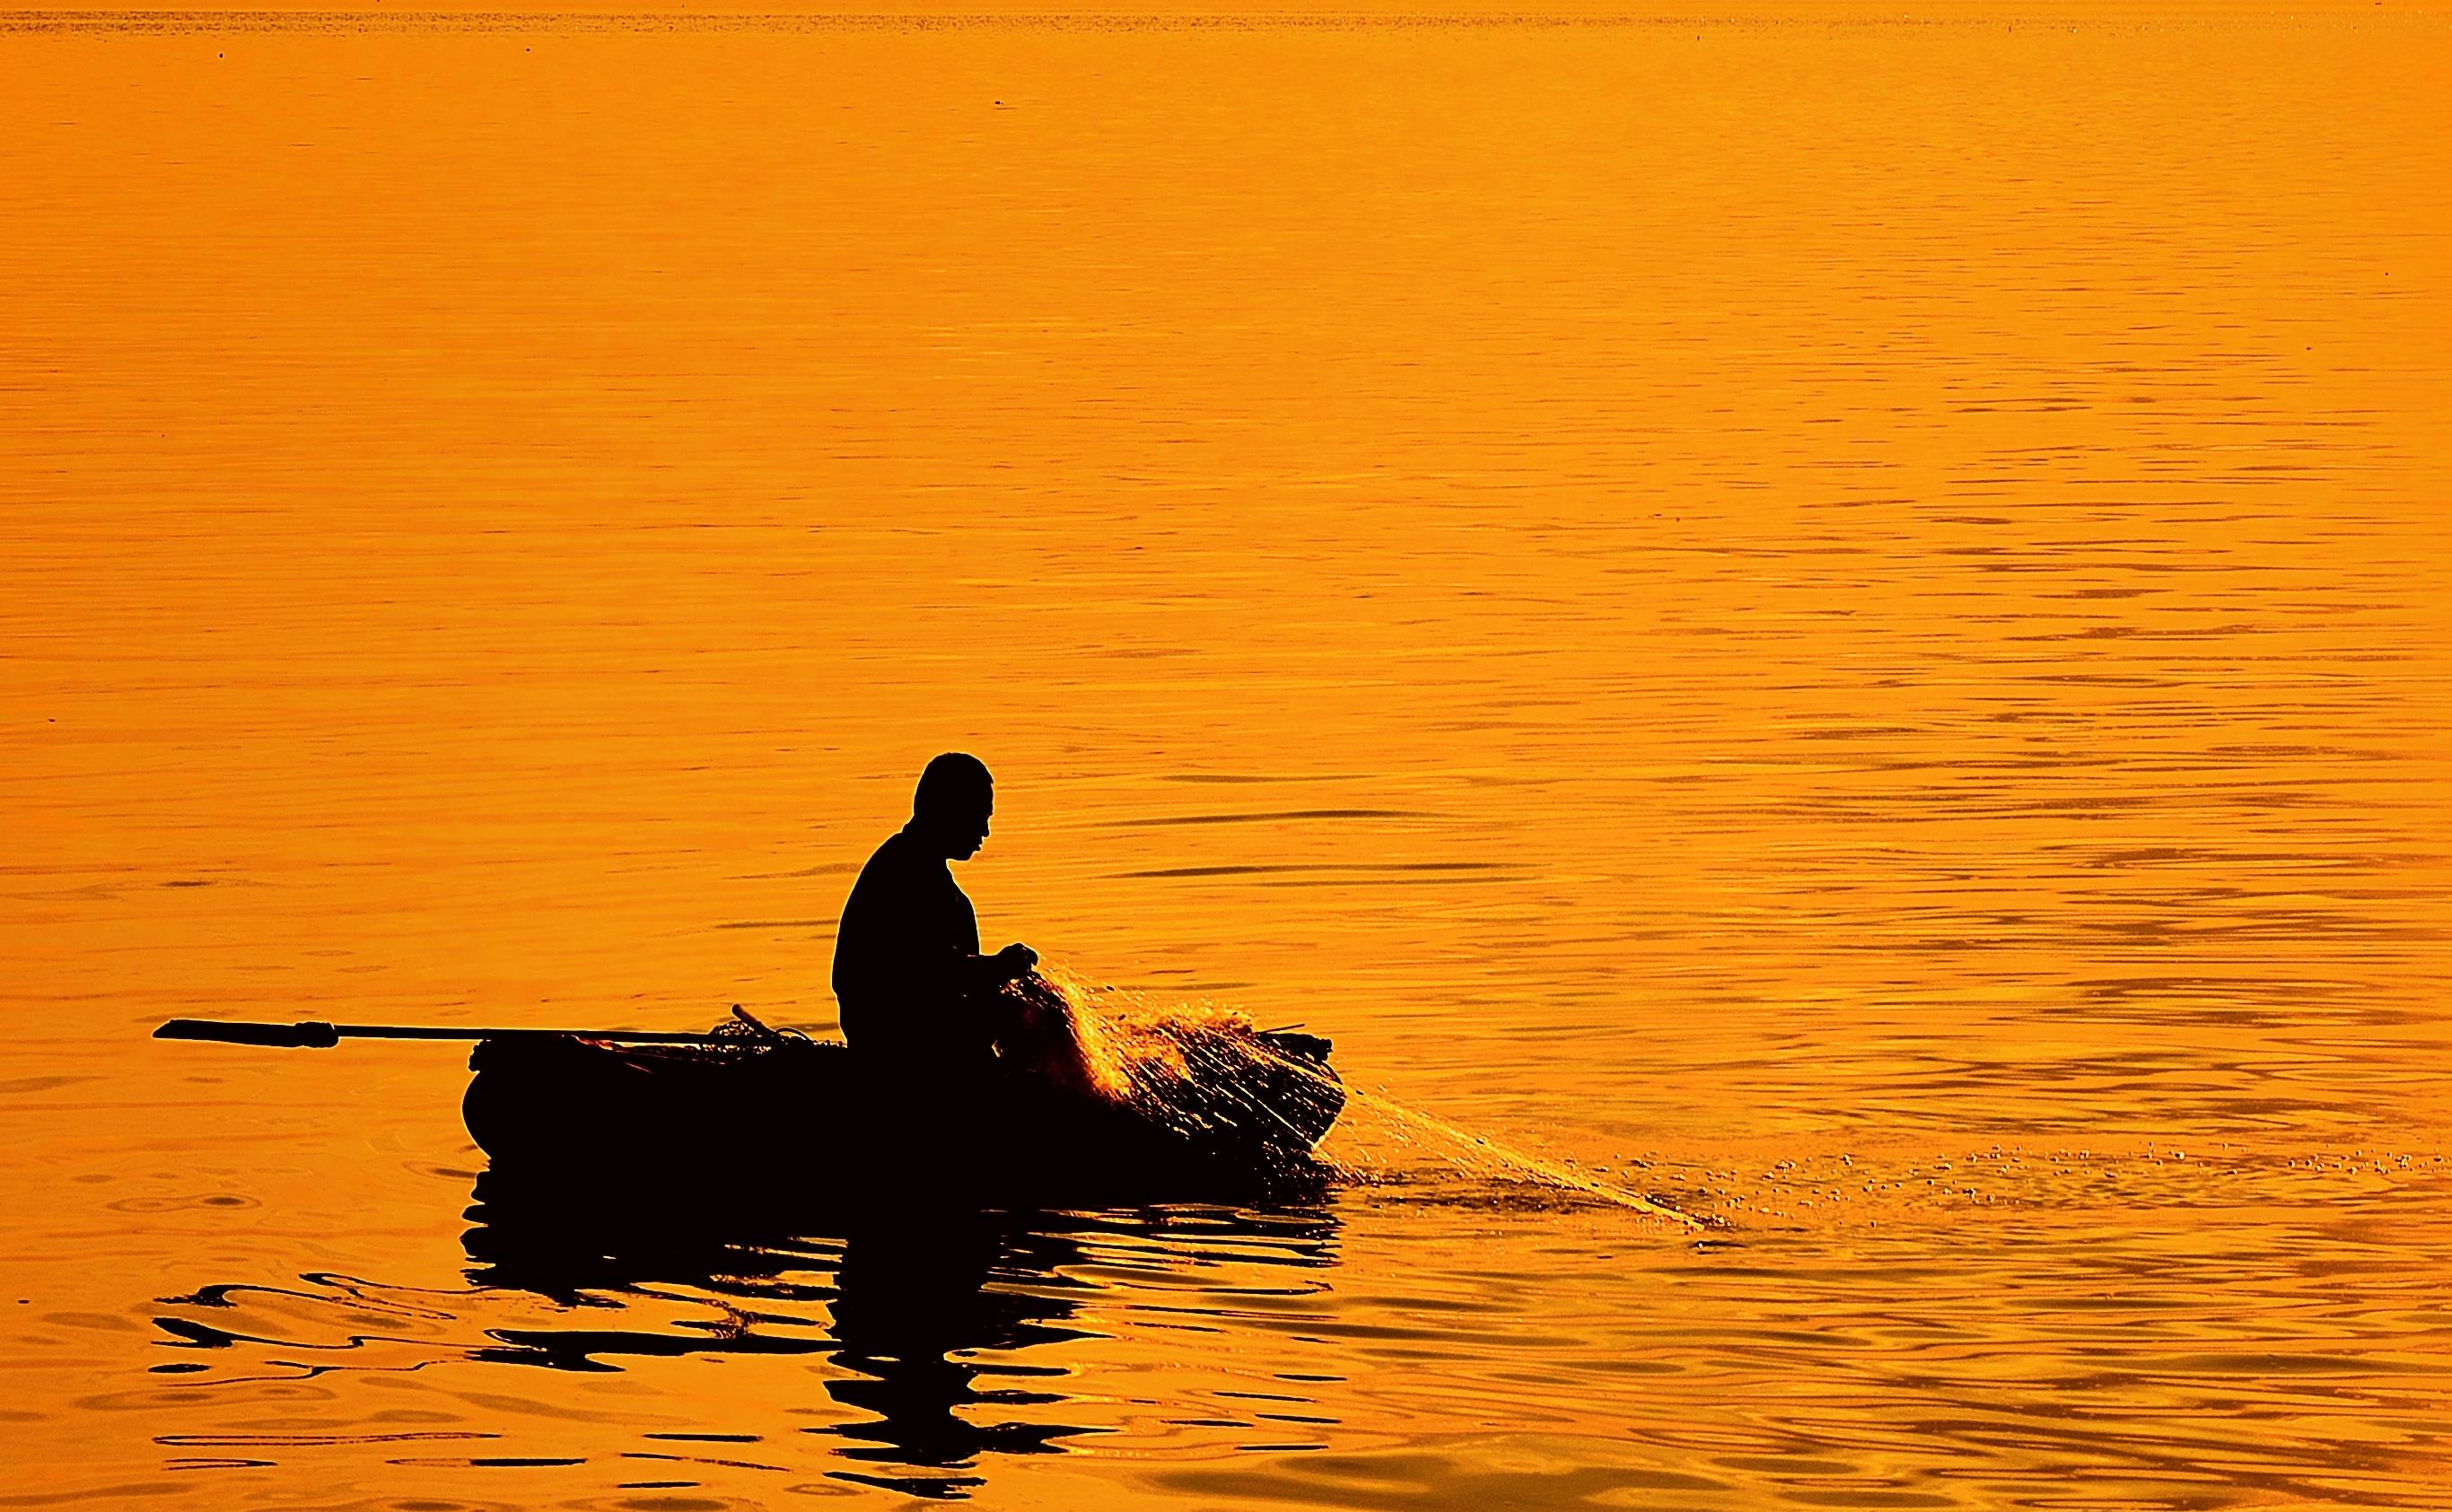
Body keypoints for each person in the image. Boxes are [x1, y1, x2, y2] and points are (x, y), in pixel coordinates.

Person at [832, 753, 1038, 1075]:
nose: (985, 831)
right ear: (947, 809)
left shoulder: (944, 890)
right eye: (979, 816)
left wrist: (1006, 975)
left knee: (1032, 1001)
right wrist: (997, 967)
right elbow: (926, 969)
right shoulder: (899, 872)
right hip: (893, 1042)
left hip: (927, 1030)